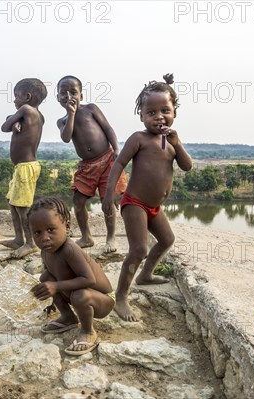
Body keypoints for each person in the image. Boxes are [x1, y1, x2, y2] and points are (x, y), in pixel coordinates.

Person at [102, 74, 193, 322]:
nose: (158, 116)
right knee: (138, 249)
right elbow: (119, 163)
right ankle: (120, 296)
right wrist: (109, 194)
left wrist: (178, 143)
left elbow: (186, 166)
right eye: (151, 112)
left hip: (154, 206)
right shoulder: (139, 139)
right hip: (135, 203)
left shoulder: (171, 142)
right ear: (141, 115)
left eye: (165, 110)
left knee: (166, 239)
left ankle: (146, 275)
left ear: (174, 112)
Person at [29, 197, 115, 356]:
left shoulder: (70, 249)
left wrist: (55, 287)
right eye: (37, 232)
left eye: (50, 230)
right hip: (77, 294)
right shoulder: (46, 251)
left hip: (103, 300)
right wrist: (50, 295)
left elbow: (89, 280)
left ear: (66, 226)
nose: (44, 238)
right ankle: (68, 317)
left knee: (79, 295)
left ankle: (88, 331)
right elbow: (53, 276)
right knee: (45, 277)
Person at [56, 75, 127, 253]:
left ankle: (111, 238)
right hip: (87, 166)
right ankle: (86, 237)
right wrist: (71, 114)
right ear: (58, 97)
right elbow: (66, 138)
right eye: (63, 93)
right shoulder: (62, 121)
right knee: (78, 200)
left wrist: (117, 149)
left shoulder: (91, 109)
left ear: (81, 94)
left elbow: (108, 128)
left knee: (107, 200)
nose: (69, 95)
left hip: (107, 159)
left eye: (73, 92)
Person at [0, 78, 47, 258]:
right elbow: (11, 121)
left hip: (26, 168)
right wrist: (15, 122)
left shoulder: (25, 110)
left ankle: (30, 243)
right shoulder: (36, 114)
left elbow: (4, 127)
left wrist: (12, 122)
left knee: (23, 208)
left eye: (16, 96)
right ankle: (18, 239)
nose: (14, 100)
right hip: (23, 167)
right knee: (13, 203)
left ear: (27, 96)